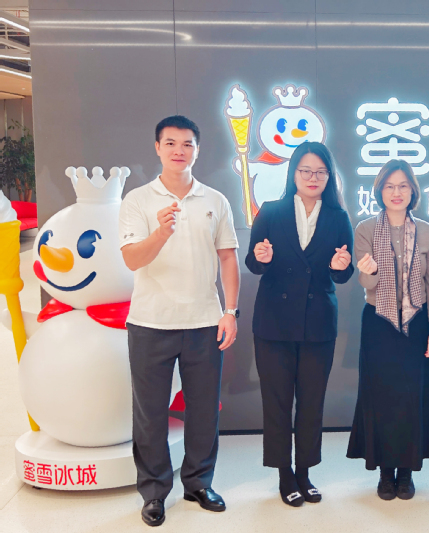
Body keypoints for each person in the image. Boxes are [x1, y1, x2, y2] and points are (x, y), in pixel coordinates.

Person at [119, 115, 240, 527]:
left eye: (187, 144)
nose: (178, 151)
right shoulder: (137, 200)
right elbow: (131, 258)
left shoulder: (215, 200)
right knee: (150, 413)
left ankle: (198, 483)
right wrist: (160, 233)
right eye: (170, 143)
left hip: (204, 321)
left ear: (197, 150)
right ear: (157, 147)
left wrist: (230, 311)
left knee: (204, 411)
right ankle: (154, 492)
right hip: (150, 321)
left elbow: (228, 257)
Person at [245, 142, 354, 507]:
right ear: (293, 173)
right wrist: (261, 257)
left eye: (320, 172)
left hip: (317, 323)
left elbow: (343, 271)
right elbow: (253, 263)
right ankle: (284, 474)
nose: (312, 177)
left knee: (311, 402)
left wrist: (341, 267)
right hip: (274, 323)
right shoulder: (271, 211)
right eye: (305, 170)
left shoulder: (338, 216)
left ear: (329, 177)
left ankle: (305, 472)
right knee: (277, 402)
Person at [347, 159, 429, 501]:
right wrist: (370, 270)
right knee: (381, 397)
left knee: (411, 397)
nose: (396, 192)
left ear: (412, 191)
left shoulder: (426, 231)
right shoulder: (365, 229)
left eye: (403, 185)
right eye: (390, 186)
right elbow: (366, 283)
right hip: (379, 322)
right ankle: (385, 472)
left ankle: (406, 472)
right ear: (380, 191)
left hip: (417, 323)